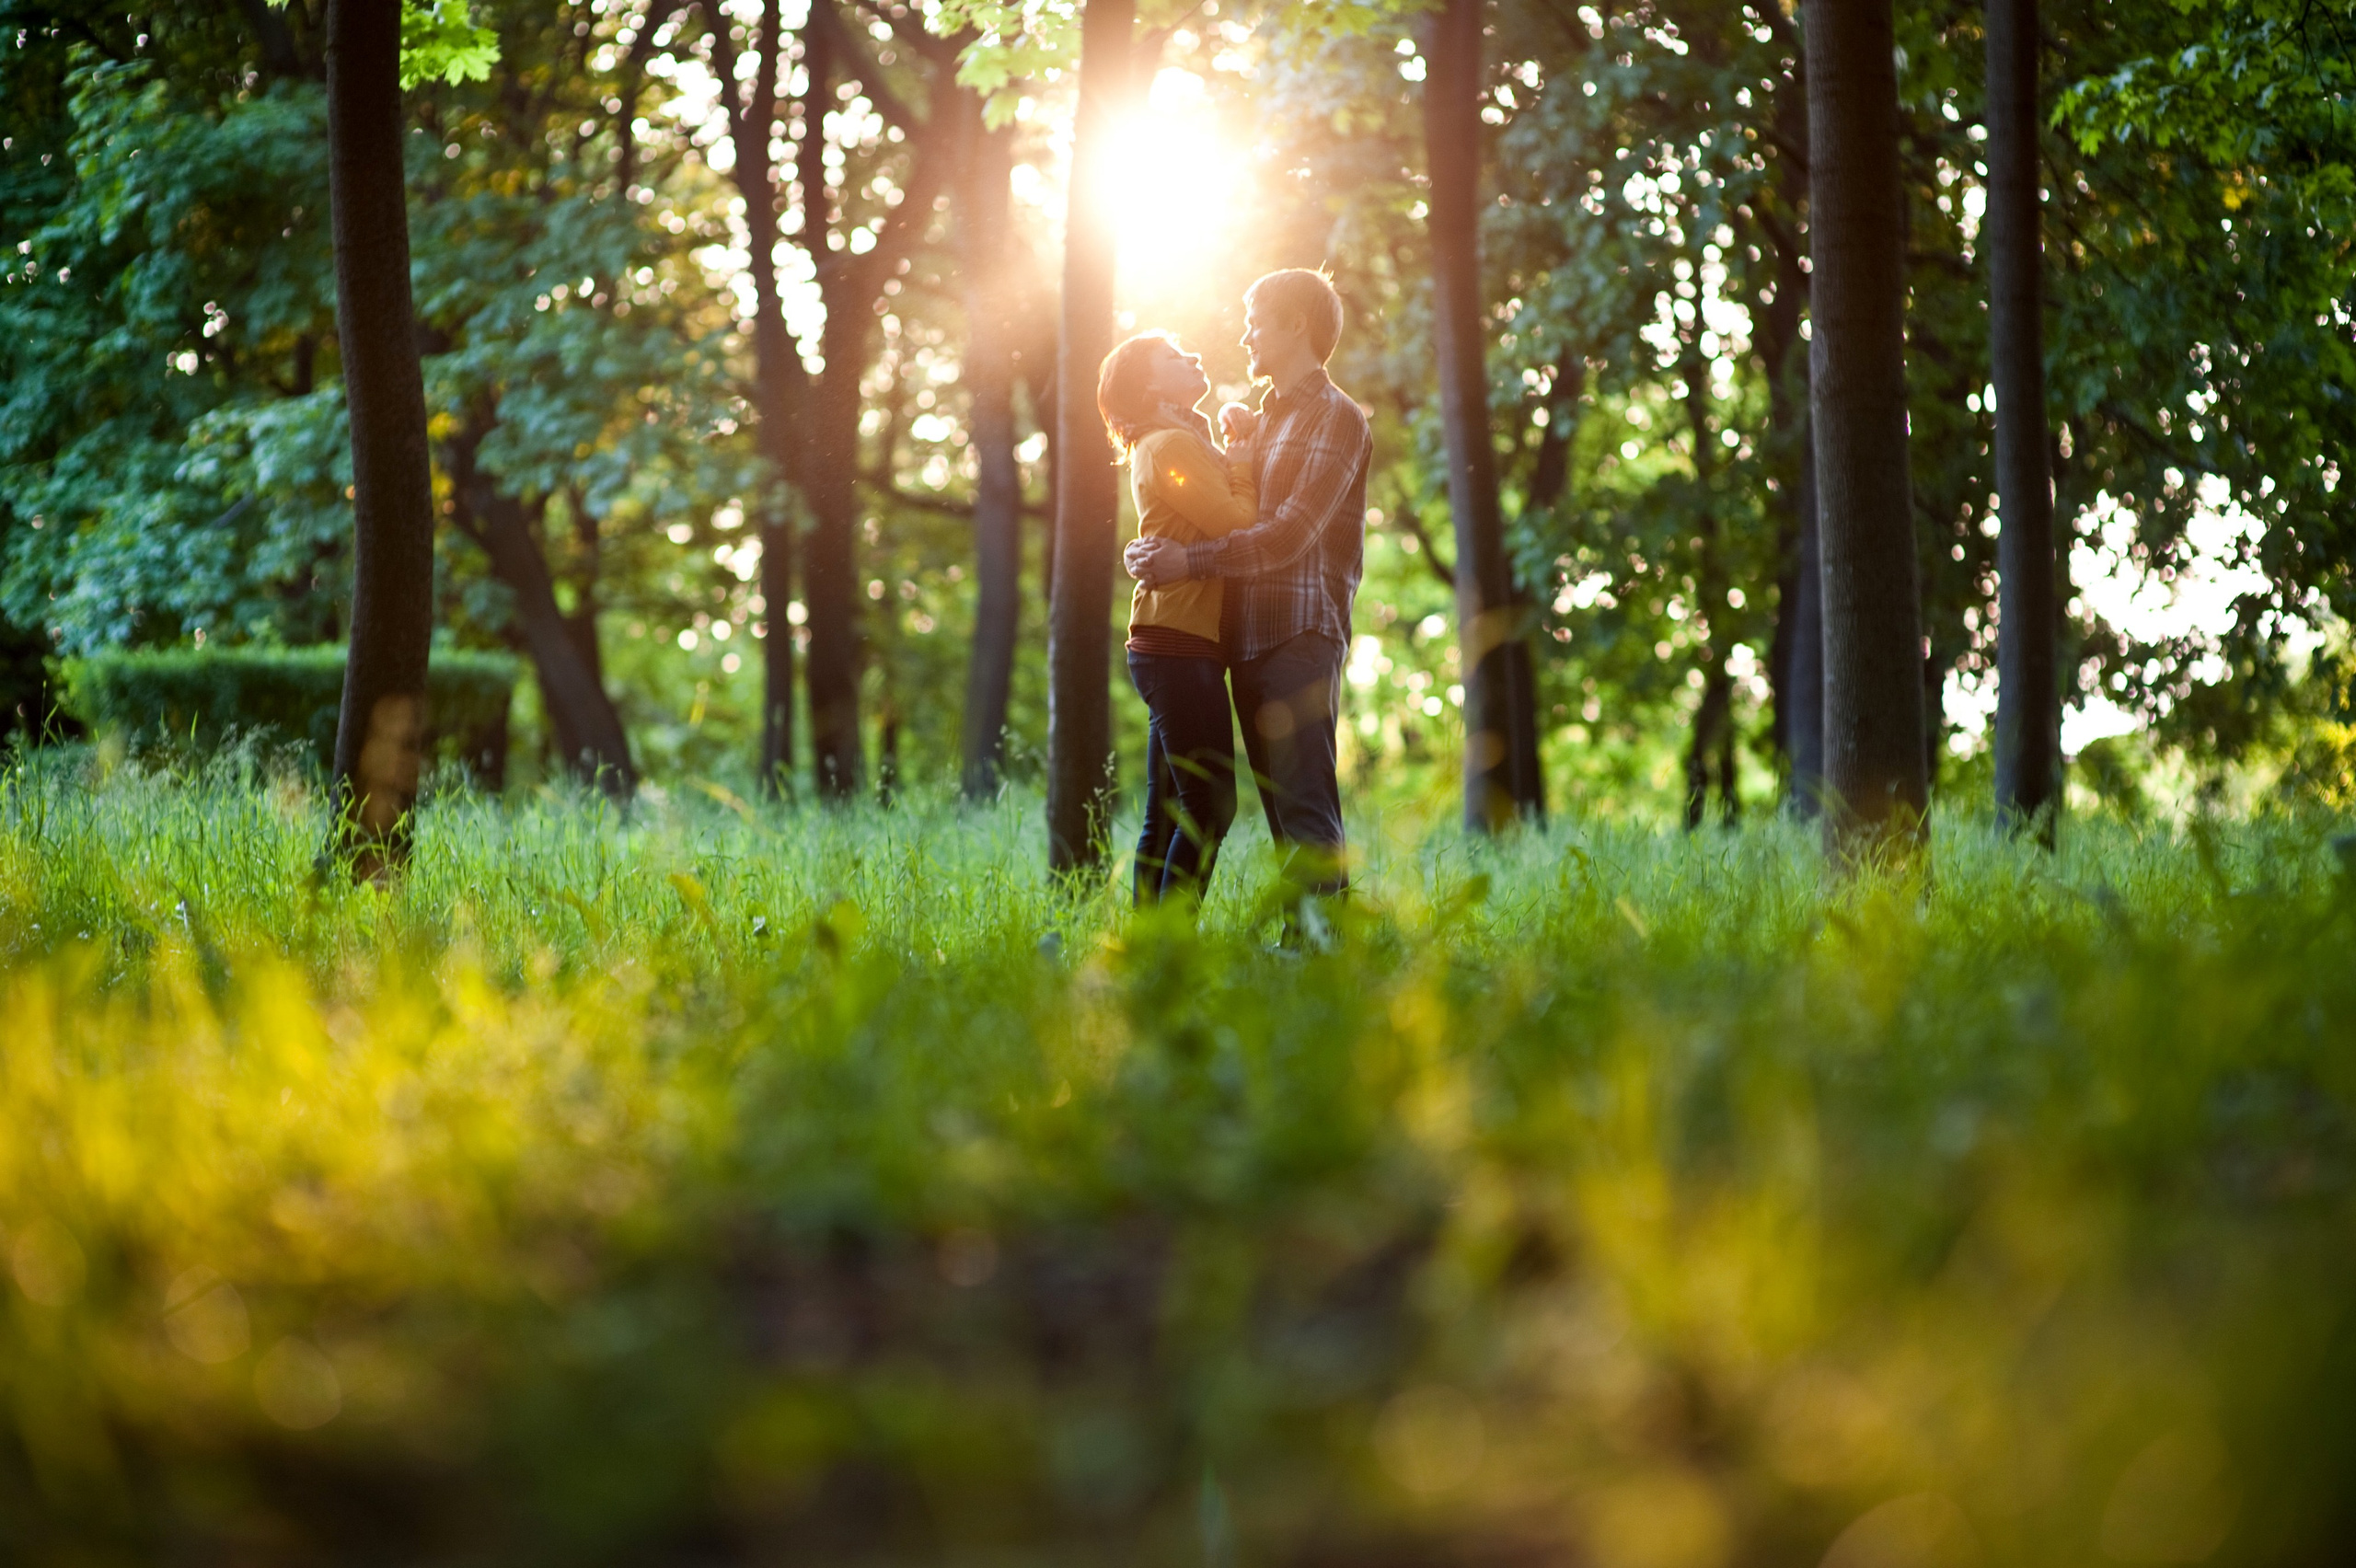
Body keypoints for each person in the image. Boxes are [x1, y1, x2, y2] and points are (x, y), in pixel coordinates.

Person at [1124, 269, 1371, 905]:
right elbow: (1196, 494)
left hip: (1299, 633)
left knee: (1306, 804)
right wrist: (1151, 546)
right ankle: (1302, 945)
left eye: (1256, 320)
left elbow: (1287, 535)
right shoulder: (1263, 423)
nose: (1245, 334)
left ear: (1296, 325)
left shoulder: (1336, 417)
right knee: (1279, 811)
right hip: (1243, 640)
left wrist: (1189, 562)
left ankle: (1322, 955)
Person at [1098, 331, 1258, 906]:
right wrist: (1241, 461)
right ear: (1147, 384)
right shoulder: (1171, 446)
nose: (1192, 356)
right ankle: (1169, 952)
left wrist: (1229, 447)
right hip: (1179, 647)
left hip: (1167, 643)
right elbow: (1237, 524)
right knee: (1211, 806)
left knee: (1167, 813)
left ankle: (1147, 957)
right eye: (1173, 357)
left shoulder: (1172, 442)